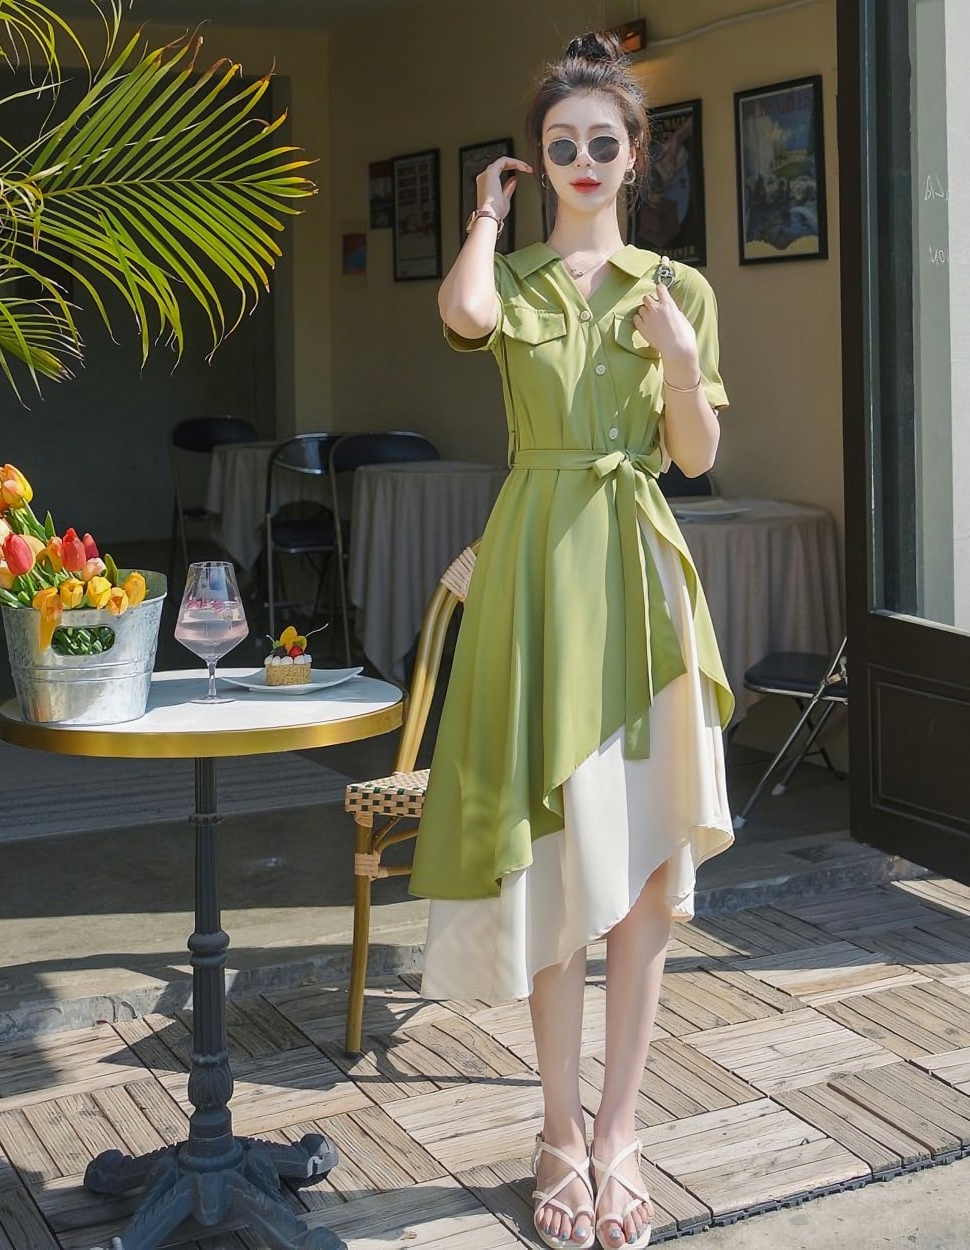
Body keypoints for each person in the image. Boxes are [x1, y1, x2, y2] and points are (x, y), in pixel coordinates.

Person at [409, 31, 734, 1250]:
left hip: (638, 574)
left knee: (643, 872)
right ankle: (555, 1131)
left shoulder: (677, 289)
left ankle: (619, 1132)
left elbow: (694, 456)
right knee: (553, 859)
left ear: (636, 155)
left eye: (604, 141)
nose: (584, 159)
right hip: (538, 573)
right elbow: (462, 312)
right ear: (537, 161)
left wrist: (683, 364)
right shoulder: (516, 279)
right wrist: (486, 216)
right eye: (561, 145)